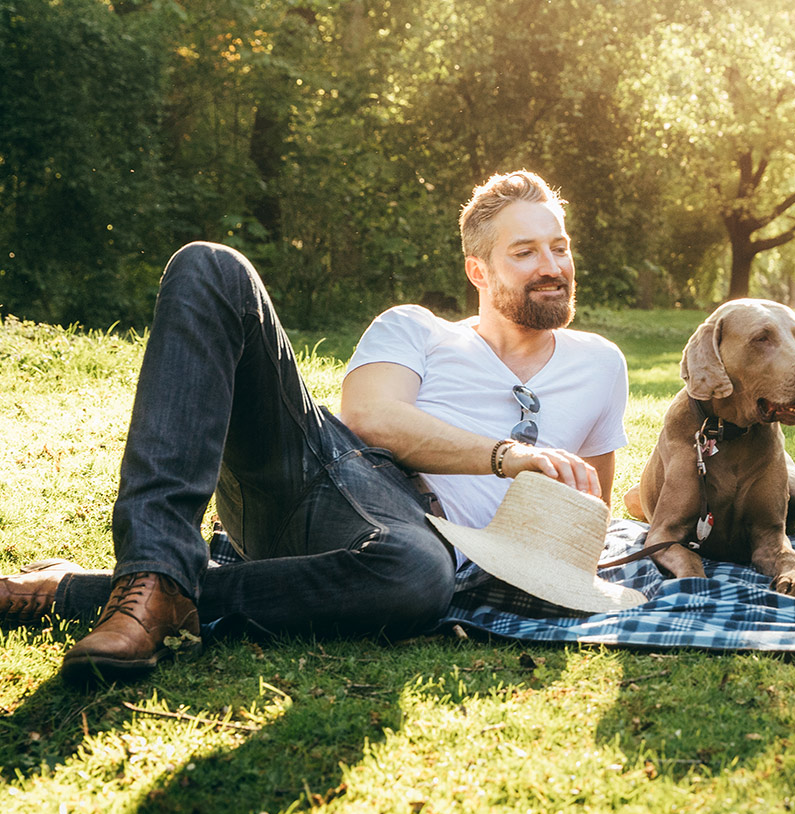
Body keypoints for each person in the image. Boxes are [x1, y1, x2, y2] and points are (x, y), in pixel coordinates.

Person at [0, 170, 629, 684]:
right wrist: (504, 455)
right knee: (212, 267)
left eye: (559, 246)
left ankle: (99, 594)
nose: (551, 265)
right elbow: (369, 418)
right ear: (479, 272)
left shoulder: (601, 365)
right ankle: (152, 566)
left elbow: (587, 512)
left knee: (418, 575)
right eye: (525, 252)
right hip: (323, 479)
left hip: (408, 557)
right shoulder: (416, 328)